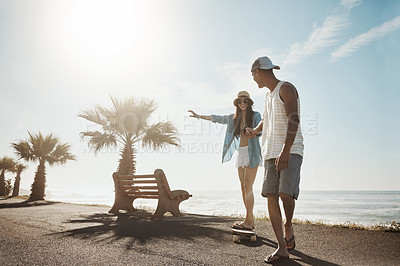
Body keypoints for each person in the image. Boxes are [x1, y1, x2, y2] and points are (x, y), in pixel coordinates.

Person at [246, 56, 304, 264]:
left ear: (259, 71)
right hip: (269, 152)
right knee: (271, 195)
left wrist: (286, 150)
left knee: (284, 193)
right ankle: (282, 247)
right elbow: (266, 119)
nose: (253, 78)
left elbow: (294, 118)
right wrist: (255, 130)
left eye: (253, 74)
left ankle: (288, 224)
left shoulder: (286, 88)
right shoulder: (268, 96)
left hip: (291, 149)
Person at [188, 91, 262, 230]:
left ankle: (248, 220)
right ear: (236, 103)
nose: (242, 103)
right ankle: (249, 219)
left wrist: (254, 131)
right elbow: (217, 118)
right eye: (239, 101)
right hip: (241, 153)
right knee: (242, 187)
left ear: (249, 102)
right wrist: (199, 116)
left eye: (245, 101)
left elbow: (262, 128)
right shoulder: (233, 118)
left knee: (248, 187)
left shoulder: (256, 116)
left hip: (252, 154)